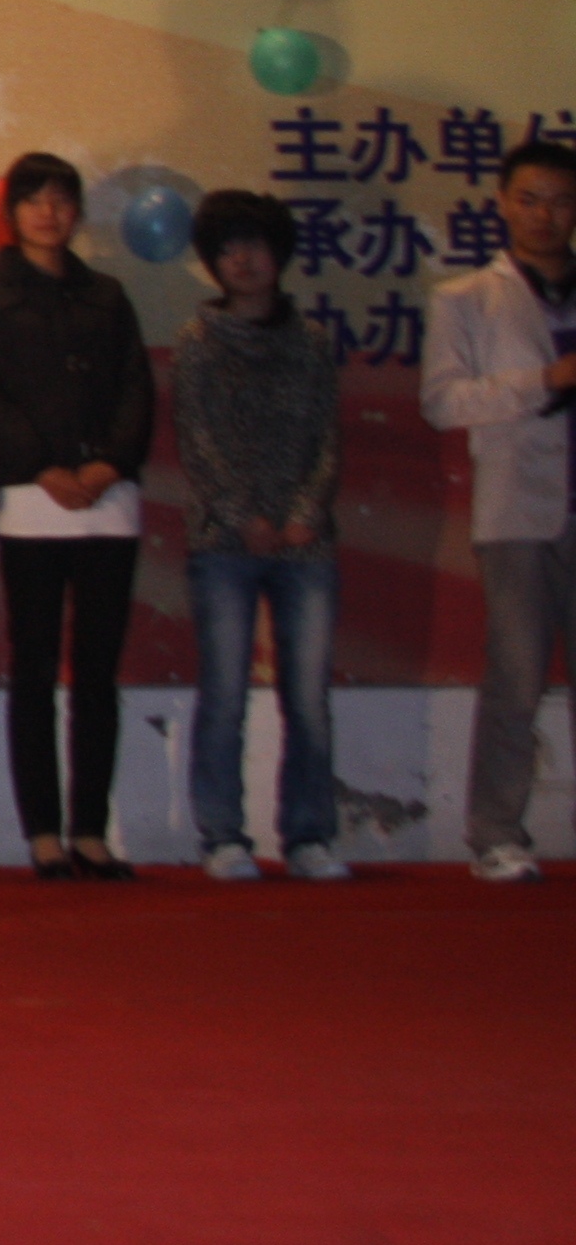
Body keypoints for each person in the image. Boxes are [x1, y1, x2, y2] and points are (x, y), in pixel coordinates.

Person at [0, 150, 156, 882]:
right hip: (31, 501)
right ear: (12, 214)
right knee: (35, 670)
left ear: (77, 214)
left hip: (110, 502)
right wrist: (43, 465)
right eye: (34, 200)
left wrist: (108, 464)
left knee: (97, 674)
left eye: (61, 200)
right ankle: (43, 832)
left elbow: (136, 389)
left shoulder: (106, 294)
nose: (48, 213)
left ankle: (91, 832)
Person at [174, 190, 349, 883]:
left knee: (308, 698)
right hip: (224, 543)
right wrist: (245, 516)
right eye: (227, 249)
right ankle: (222, 836)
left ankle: (308, 836)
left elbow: (328, 439)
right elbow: (197, 441)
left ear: (280, 253)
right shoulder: (197, 341)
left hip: (307, 543)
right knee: (224, 693)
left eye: (254, 245)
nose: (242, 260)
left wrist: (304, 511)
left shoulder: (311, 341)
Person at [419, 136, 576, 885]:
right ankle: (495, 834)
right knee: (516, 678)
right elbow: (444, 401)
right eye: (531, 199)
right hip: (516, 513)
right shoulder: (466, 298)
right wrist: (545, 380)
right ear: (503, 204)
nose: (546, 214)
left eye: (562, 201)